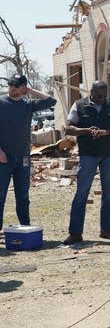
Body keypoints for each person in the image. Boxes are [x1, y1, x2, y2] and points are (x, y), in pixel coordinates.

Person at [63, 81, 110, 245]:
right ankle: (75, 233)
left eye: (103, 95)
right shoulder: (79, 105)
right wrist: (87, 131)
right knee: (82, 193)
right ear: (91, 92)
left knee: (109, 193)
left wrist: (107, 132)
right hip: (88, 154)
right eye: (98, 95)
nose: (101, 99)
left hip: (109, 154)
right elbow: (68, 128)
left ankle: (106, 230)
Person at [0, 74, 56, 230]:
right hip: (3, 158)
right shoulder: (1, 103)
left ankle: (25, 226)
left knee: (23, 196)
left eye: (16, 85)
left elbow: (51, 101)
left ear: (23, 88)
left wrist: (30, 90)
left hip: (23, 157)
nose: (12, 88)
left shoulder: (28, 105)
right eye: (10, 84)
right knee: (0, 196)